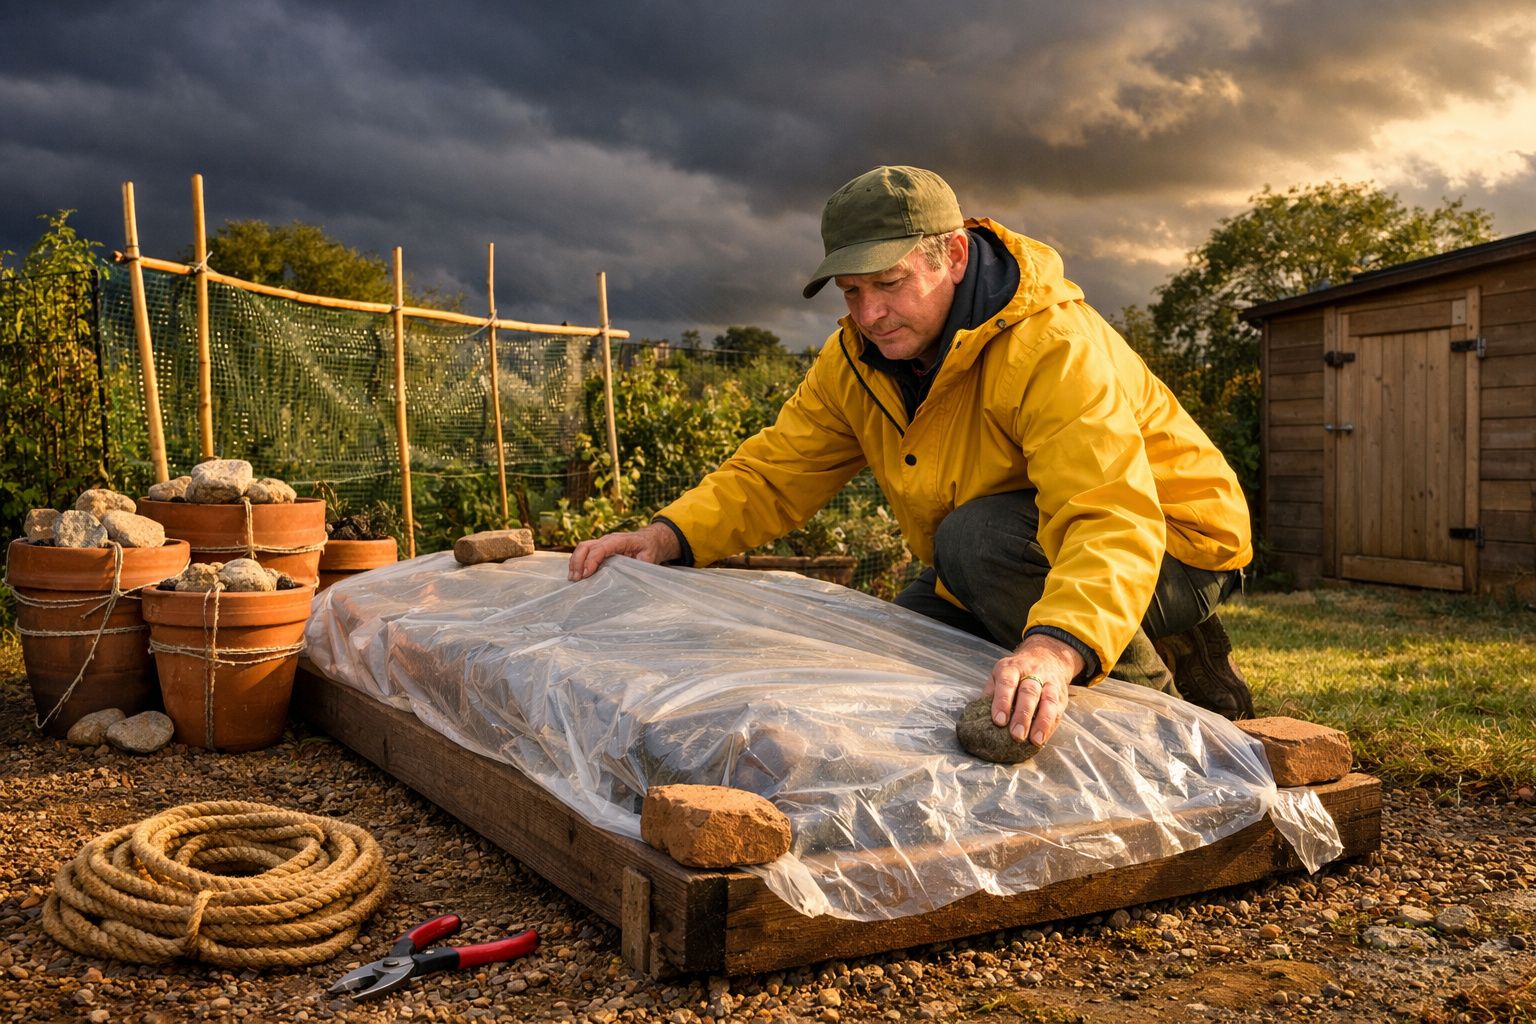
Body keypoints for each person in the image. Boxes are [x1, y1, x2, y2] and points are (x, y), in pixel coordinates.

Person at [569, 165, 1255, 749]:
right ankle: (1140, 642)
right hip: (1004, 553)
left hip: (1175, 543)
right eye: (852, 292)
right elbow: (774, 470)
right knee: (903, 654)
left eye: (888, 283)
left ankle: (1160, 726)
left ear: (953, 255)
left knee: (977, 542)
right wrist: (666, 536)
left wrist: (1054, 647)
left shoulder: (1051, 345)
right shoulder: (857, 361)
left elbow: (1108, 511)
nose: (869, 314)